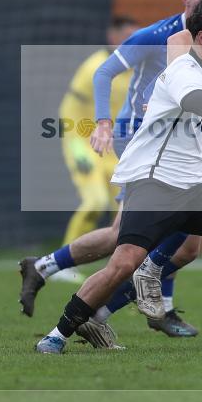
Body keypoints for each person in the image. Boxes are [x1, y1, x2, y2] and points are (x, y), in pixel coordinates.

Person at [35, 0, 202, 355]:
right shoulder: (184, 71)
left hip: (192, 188)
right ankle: (56, 334)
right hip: (154, 186)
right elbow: (201, 105)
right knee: (122, 264)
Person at [19, 0, 202, 339]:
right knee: (153, 236)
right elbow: (105, 71)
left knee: (175, 245)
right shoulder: (157, 35)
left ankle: (48, 269)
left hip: (179, 143)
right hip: (141, 140)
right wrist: (101, 123)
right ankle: (105, 313)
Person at [58, 15, 138, 246]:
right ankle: (62, 261)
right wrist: (77, 147)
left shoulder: (136, 71)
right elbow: (69, 109)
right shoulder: (94, 68)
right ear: (112, 37)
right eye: (127, 38)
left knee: (127, 210)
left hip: (115, 149)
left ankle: (121, 262)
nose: (133, 44)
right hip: (85, 145)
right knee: (95, 203)